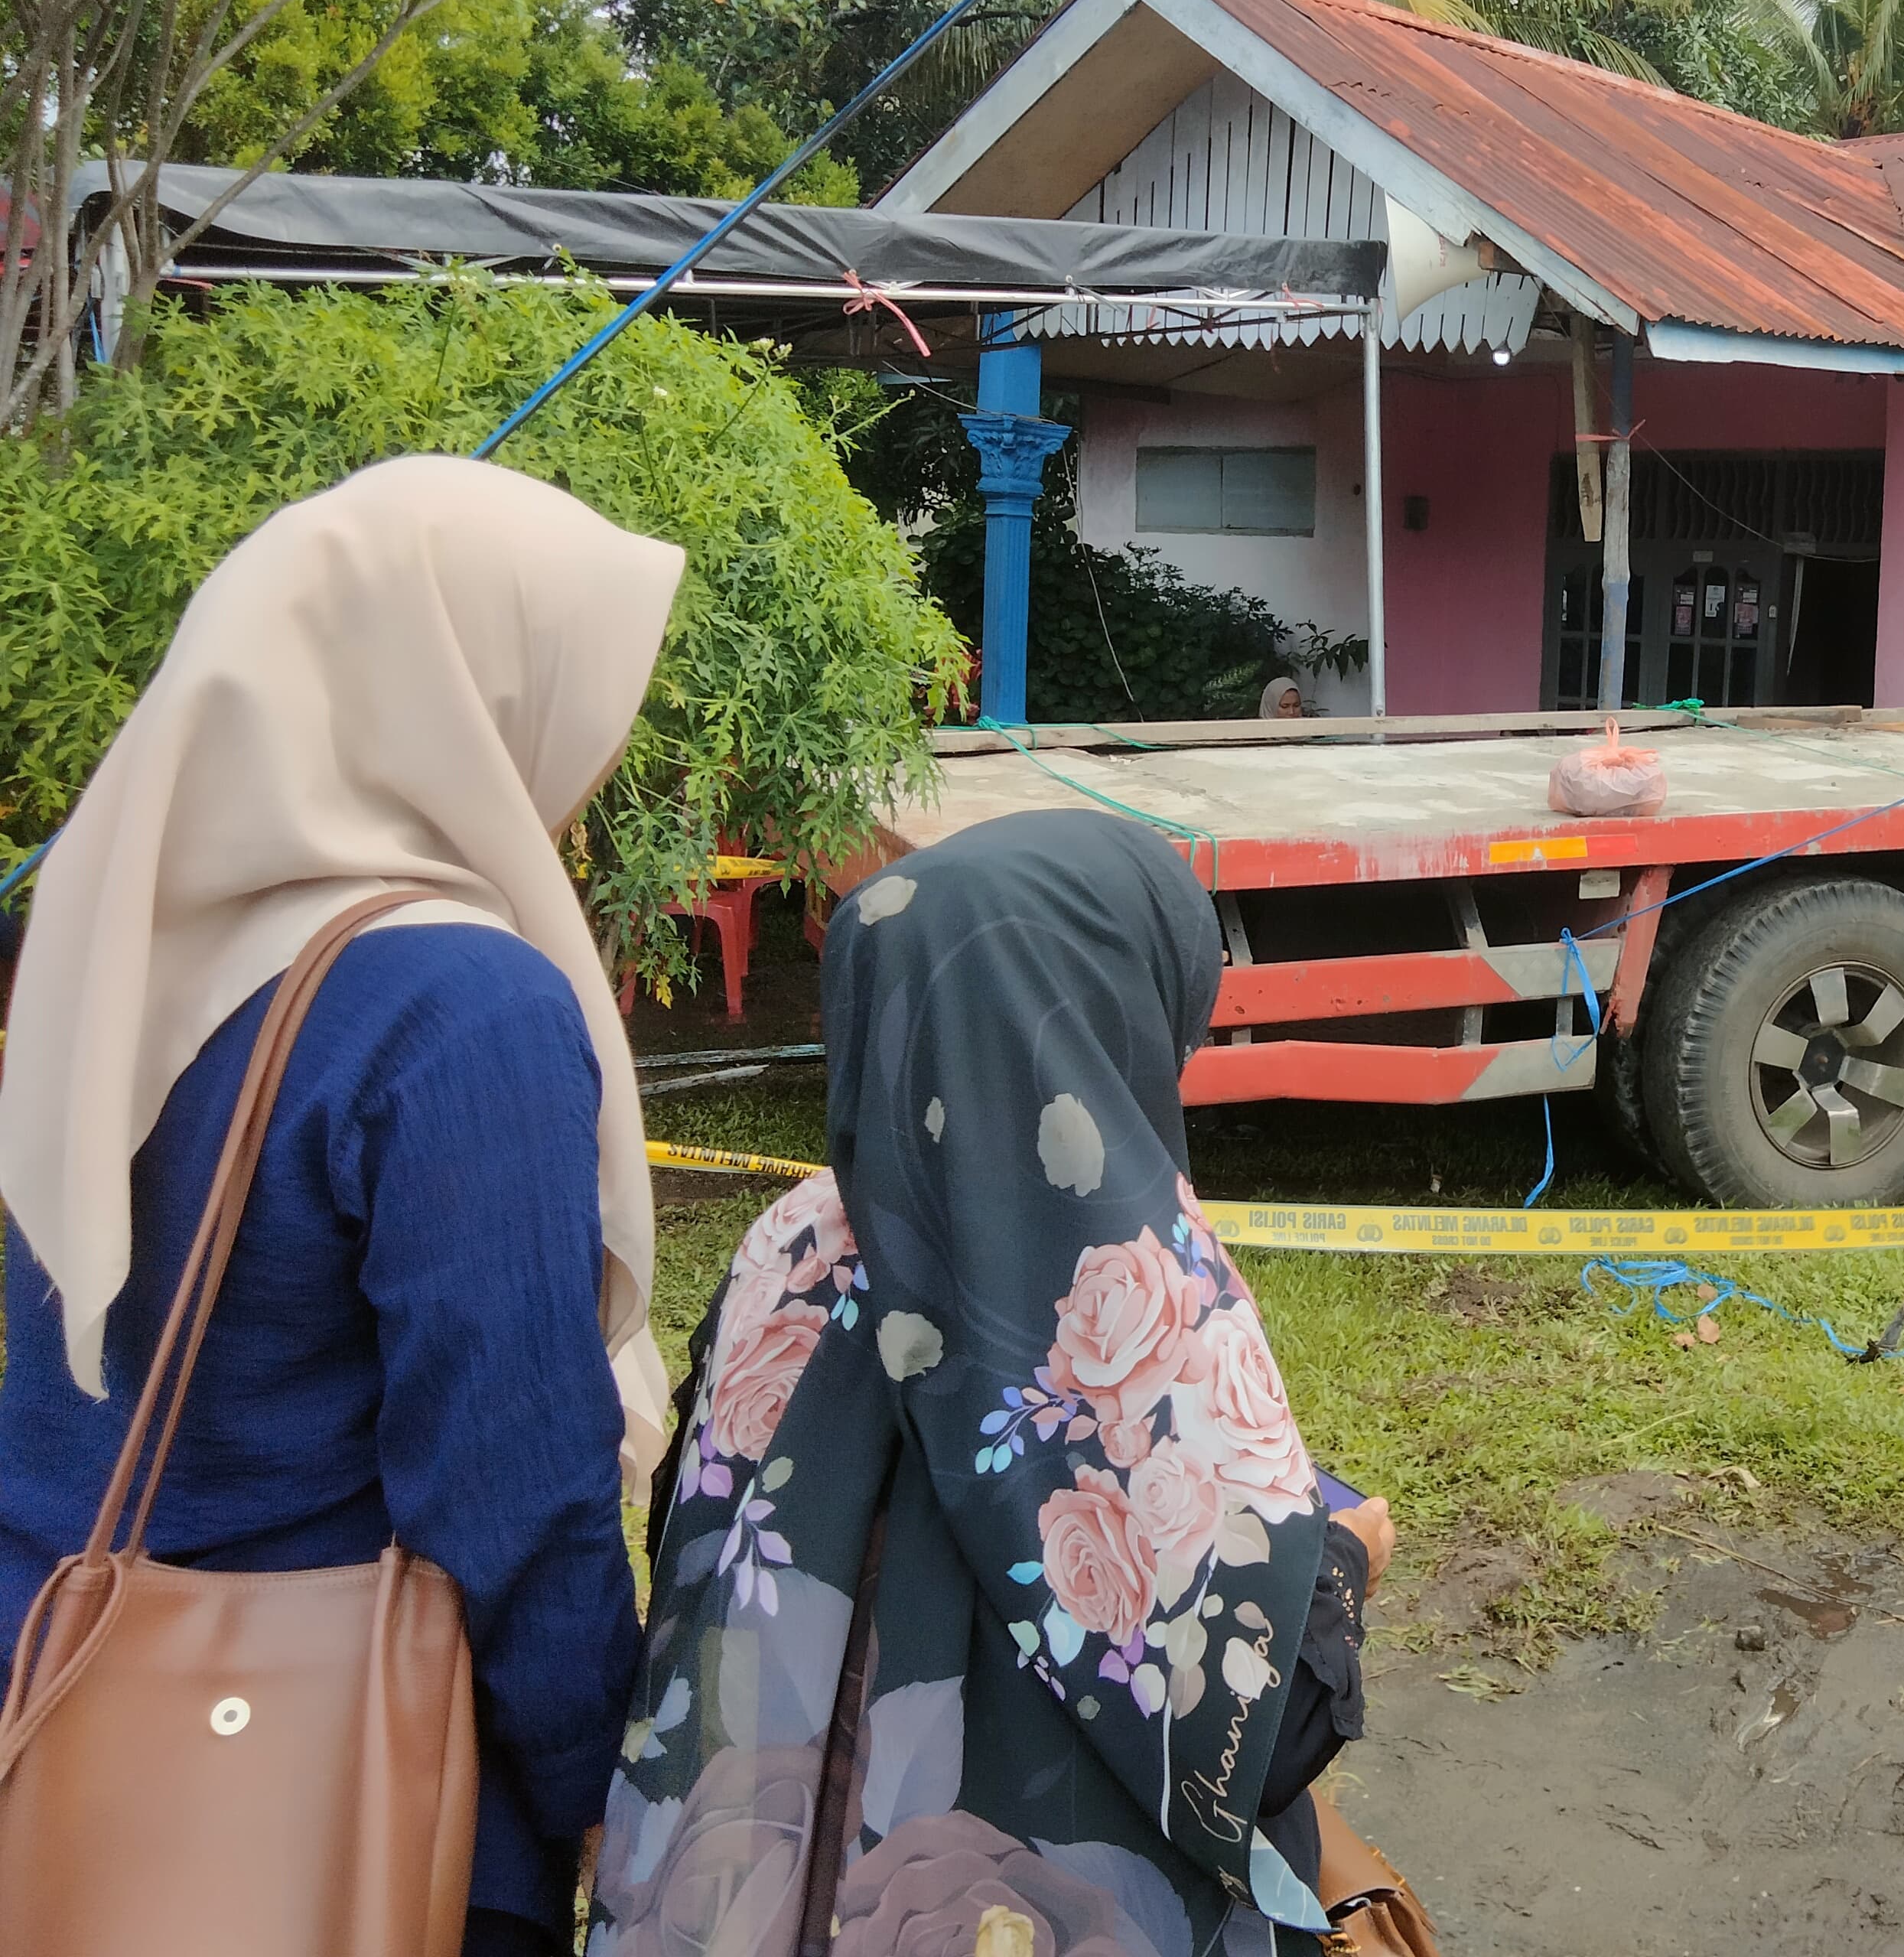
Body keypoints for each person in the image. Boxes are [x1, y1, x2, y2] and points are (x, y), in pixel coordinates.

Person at [0, 456, 685, 1957]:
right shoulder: (456, 1005)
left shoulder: (121, 947)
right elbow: (512, 1488)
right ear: (465, 690)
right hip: (339, 1796)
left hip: (63, 1736)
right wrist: (605, 1788)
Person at [597, 811, 1431, 1955]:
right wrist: (1336, 1569)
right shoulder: (1137, 1299)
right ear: (1121, 1010)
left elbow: (693, 1547)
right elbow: (1254, 1736)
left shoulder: (782, 1251)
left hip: (750, 1892)